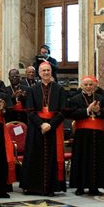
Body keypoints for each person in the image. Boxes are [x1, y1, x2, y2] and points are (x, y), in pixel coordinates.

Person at [23, 61, 66, 196]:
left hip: (53, 127)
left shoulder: (59, 89)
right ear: (39, 73)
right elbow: (30, 111)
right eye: (43, 71)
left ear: (51, 72)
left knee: (52, 156)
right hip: (37, 128)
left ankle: (50, 187)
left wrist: (50, 125)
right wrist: (41, 124)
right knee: (34, 156)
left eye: (48, 70)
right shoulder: (33, 89)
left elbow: (62, 111)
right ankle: (34, 187)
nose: (46, 73)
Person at [68, 76, 104, 196]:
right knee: (81, 159)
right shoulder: (75, 99)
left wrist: (98, 111)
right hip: (82, 134)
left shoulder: (100, 98)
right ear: (81, 86)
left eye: (90, 84)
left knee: (97, 160)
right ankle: (80, 187)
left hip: (97, 134)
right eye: (86, 84)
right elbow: (72, 113)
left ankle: (94, 187)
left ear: (95, 86)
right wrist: (87, 110)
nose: (88, 87)